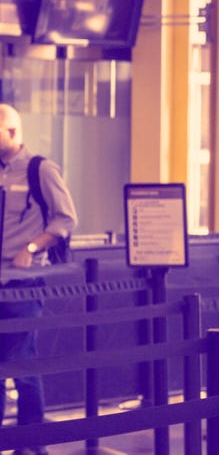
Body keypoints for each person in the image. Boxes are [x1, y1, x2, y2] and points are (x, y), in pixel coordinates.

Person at [0, 104, 77, 447]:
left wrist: (29, 249)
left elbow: (65, 219)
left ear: (13, 132)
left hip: (24, 285)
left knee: (23, 361)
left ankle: (31, 442)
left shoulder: (40, 170)